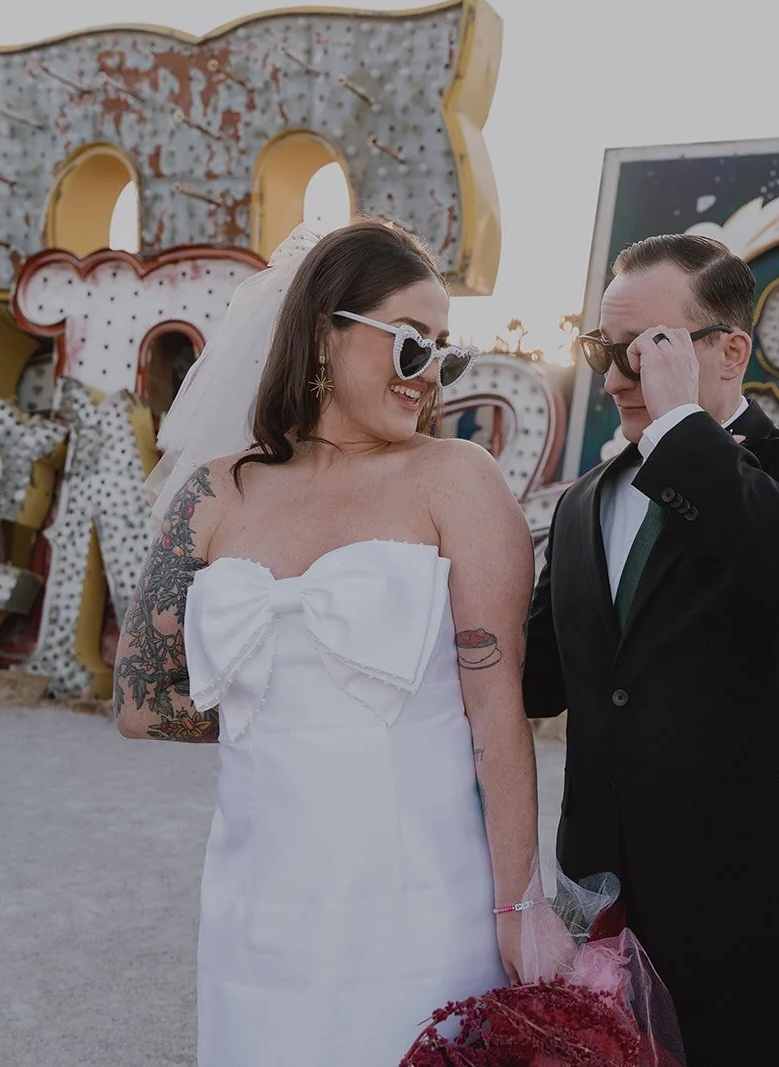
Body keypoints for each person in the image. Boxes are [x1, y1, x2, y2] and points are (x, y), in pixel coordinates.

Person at [114, 220, 541, 1065]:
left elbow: (497, 716)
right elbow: (137, 702)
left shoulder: (456, 479)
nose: (430, 374)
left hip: (425, 900)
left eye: (445, 353)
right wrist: (269, 723)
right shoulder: (216, 494)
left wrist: (519, 910)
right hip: (259, 908)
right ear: (323, 332)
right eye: (412, 343)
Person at [524, 234, 779, 1065]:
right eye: (604, 350)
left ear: (730, 350)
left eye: (645, 349)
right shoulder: (583, 503)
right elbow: (535, 678)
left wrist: (683, 435)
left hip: (757, 912)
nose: (616, 376)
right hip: (603, 913)